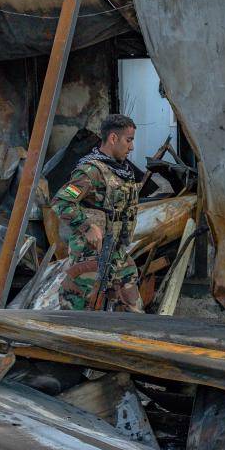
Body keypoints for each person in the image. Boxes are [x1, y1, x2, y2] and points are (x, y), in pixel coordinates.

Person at [51, 114, 144, 312]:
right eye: (128, 140)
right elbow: (61, 202)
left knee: (132, 308)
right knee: (79, 311)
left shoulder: (122, 171)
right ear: (113, 138)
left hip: (116, 253)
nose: (131, 147)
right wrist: (87, 227)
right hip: (90, 256)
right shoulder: (90, 171)